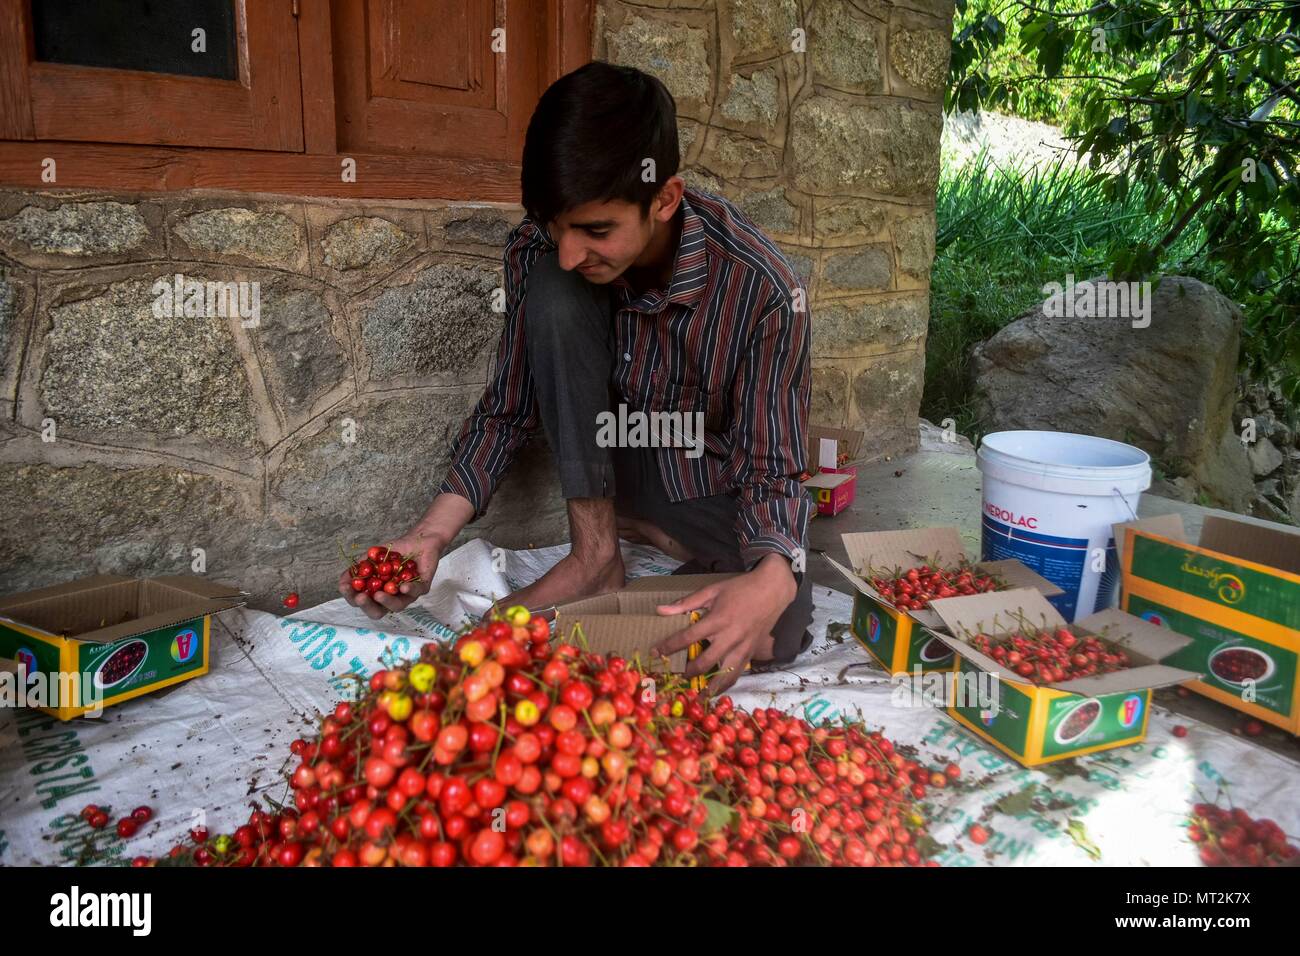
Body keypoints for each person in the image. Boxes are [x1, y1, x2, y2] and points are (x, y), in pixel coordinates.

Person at [339, 61, 814, 692]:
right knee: (555, 288)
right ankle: (596, 555)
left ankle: (651, 534)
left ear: (664, 198)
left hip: (704, 479)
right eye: (555, 225)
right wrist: (429, 534)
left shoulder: (763, 289)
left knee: (771, 630)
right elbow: (508, 407)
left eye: (596, 230)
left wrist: (775, 575)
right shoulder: (543, 253)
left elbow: (772, 469)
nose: (569, 250)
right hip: (602, 464)